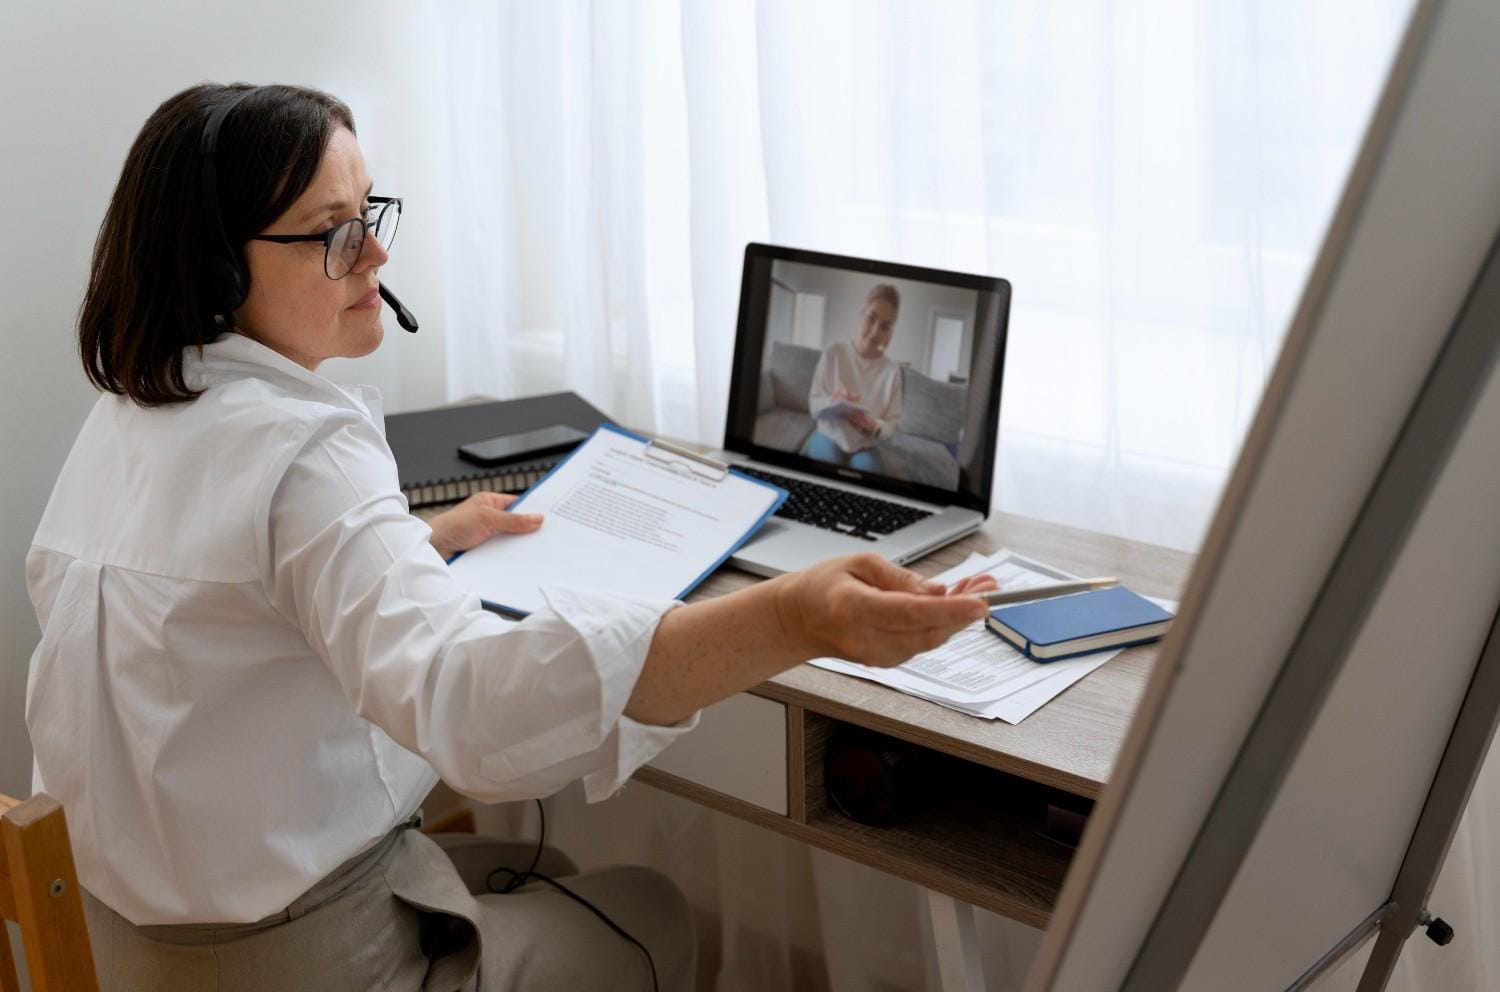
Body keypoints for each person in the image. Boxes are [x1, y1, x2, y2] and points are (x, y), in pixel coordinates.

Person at [24, 83, 995, 992]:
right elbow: (474, 713)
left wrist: (416, 541)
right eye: (333, 232)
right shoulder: (307, 453)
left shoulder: (123, 421)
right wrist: (791, 611)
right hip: (301, 959)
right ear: (218, 270)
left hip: (133, 951)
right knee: (648, 910)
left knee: (551, 865)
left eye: (372, 214)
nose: (375, 256)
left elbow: (225, 599)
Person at [804, 283, 905, 473]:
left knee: (866, 475)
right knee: (826, 471)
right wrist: (835, 401)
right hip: (828, 435)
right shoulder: (834, 352)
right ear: (862, 313)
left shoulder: (893, 372)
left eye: (885, 326)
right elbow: (814, 406)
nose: (875, 332)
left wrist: (875, 427)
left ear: (891, 331)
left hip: (866, 445)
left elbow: (893, 424)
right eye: (871, 318)